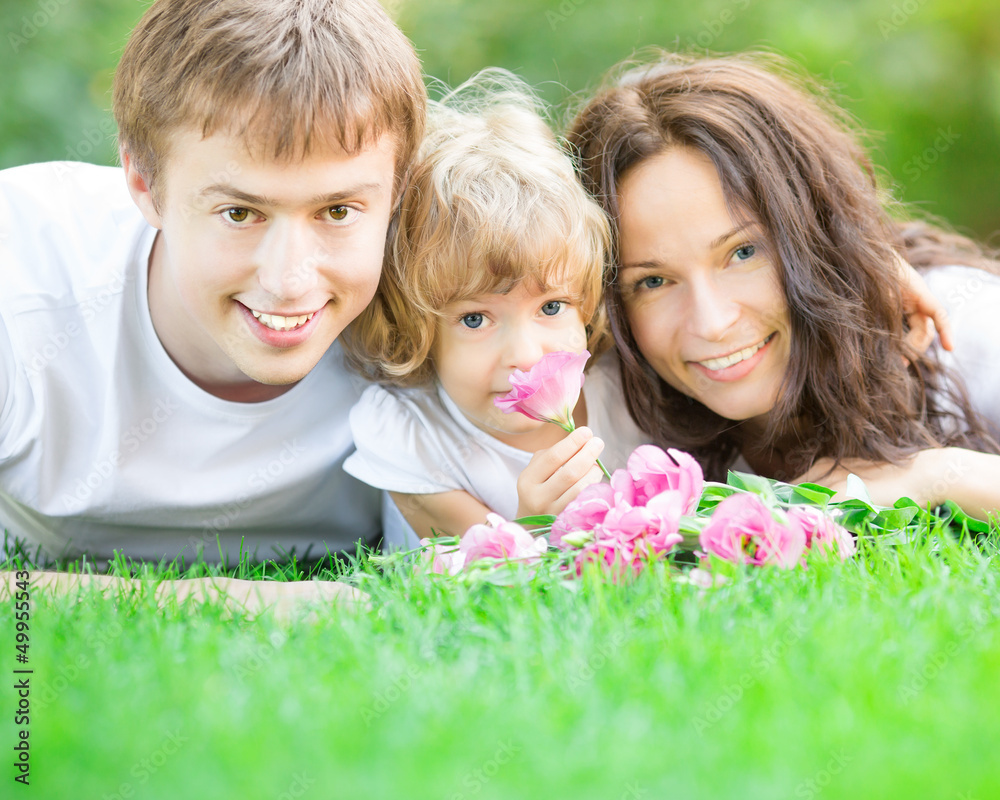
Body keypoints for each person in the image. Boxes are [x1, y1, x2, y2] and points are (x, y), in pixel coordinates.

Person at [0, 0, 425, 605]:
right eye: (239, 213)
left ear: (398, 190)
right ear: (144, 185)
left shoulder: (444, 306)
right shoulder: (20, 277)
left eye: (337, 211)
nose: (288, 280)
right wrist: (236, 601)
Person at [567, 52, 1000, 519]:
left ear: (816, 235)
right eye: (653, 281)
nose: (712, 324)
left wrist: (932, 474)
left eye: (743, 253)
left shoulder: (965, 326)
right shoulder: (612, 410)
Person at [341, 72, 648, 541]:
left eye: (551, 308)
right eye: (475, 319)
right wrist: (534, 523)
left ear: (587, 305)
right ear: (418, 329)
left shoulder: (626, 401)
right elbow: (486, 580)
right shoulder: (412, 434)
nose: (525, 355)